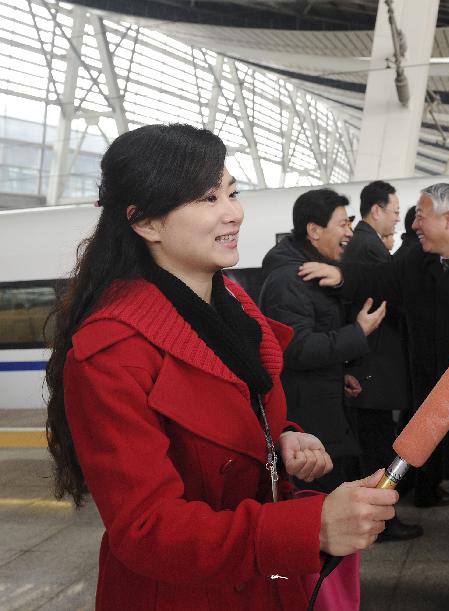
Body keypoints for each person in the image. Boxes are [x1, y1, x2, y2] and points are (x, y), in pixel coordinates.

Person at [44, 124, 399, 611]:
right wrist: (311, 527)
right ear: (146, 223)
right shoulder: (111, 351)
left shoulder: (232, 302)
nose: (233, 212)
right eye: (208, 198)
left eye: (232, 192)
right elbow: (146, 530)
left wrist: (283, 436)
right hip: (183, 595)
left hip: (264, 579)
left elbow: (237, 414)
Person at [299, 182, 449, 610]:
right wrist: (342, 275)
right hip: (443, 413)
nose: (413, 224)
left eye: (421, 215)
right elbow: (380, 280)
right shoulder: (420, 264)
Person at [258, 188, 386, 492]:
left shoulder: (307, 271)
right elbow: (297, 348)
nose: (349, 233)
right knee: (320, 501)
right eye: (342, 224)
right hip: (309, 420)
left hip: (321, 403)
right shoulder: (289, 280)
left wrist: (340, 374)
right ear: (314, 231)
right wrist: (358, 332)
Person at [342, 180, 423, 542]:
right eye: (393, 212)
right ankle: (382, 521)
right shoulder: (368, 249)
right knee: (376, 445)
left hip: (371, 364)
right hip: (371, 366)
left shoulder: (367, 244)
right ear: (376, 211)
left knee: (377, 440)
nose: (397, 220)